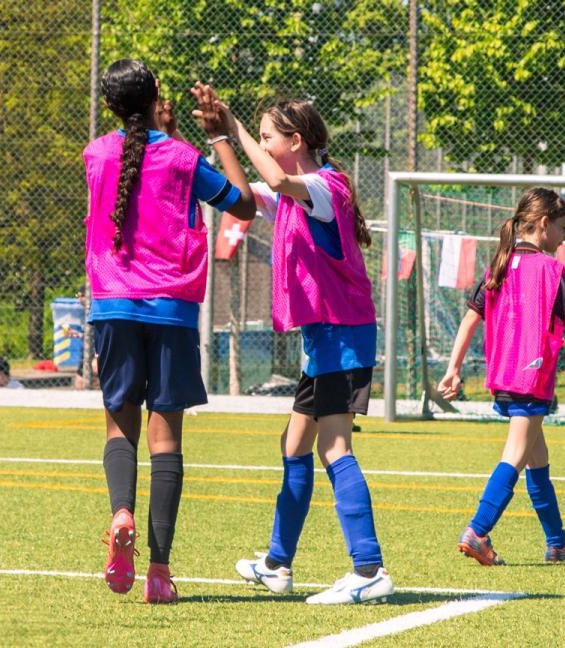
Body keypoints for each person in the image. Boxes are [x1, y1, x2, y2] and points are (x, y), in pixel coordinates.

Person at [83, 60, 256, 604]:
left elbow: (134, 167)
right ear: (158, 95)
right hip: (171, 308)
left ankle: (120, 512)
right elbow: (242, 202)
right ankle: (158, 572)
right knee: (167, 439)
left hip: (112, 303)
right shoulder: (182, 158)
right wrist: (220, 137)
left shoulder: (94, 155)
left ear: (110, 105)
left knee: (120, 429)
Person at [214, 96, 392, 605]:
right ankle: (276, 564)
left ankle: (369, 568)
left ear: (295, 142)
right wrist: (220, 138)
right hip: (326, 339)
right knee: (294, 447)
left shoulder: (321, 186)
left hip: (343, 334)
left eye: (270, 138)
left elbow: (271, 180)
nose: (264, 145)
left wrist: (236, 125)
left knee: (333, 448)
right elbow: (244, 194)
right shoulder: (296, 194)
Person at [437, 188, 565, 566]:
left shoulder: (499, 263)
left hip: (502, 377)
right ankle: (478, 531)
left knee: (537, 458)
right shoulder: (549, 269)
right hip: (531, 377)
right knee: (515, 456)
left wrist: (453, 369)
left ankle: (557, 541)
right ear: (545, 224)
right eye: (563, 228)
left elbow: (470, 318)